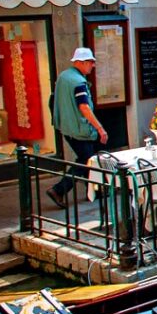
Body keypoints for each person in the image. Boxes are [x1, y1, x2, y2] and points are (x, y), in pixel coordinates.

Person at [47, 48, 108, 209]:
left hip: (66, 127)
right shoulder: (78, 82)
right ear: (81, 63)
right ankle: (58, 190)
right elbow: (84, 107)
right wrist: (100, 128)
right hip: (79, 129)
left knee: (87, 158)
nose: (92, 66)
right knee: (85, 161)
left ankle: (95, 190)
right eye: (90, 62)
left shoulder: (63, 77)